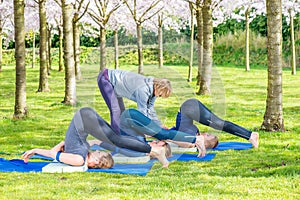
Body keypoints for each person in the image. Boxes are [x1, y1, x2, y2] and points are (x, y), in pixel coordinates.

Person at [22, 108, 170, 168]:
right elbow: (55, 154)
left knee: (116, 139)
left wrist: (36, 150)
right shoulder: (82, 153)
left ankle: (154, 150)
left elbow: (53, 154)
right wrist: (63, 144)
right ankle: (153, 150)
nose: (97, 156)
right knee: (116, 138)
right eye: (99, 156)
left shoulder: (79, 159)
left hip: (85, 118)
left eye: (98, 156)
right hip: (85, 118)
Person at [119, 98, 259, 157]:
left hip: (189, 108)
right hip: (190, 107)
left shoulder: (188, 136)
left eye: (209, 136)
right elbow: (168, 136)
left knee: (218, 124)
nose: (207, 133)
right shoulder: (190, 134)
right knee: (218, 123)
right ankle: (250, 135)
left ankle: (250, 135)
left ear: (205, 142)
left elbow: (167, 136)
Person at [97, 68, 172, 134]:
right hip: (106, 78)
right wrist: (149, 129)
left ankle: (123, 134)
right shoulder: (143, 90)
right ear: (158, 87)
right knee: (116, 110)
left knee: (122, 112)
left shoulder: (154, 92)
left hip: (116, 85)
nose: (159, 97)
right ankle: (116, 138)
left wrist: (159, 125)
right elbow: (142, 112)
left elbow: (150, 109)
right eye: (160, 95)